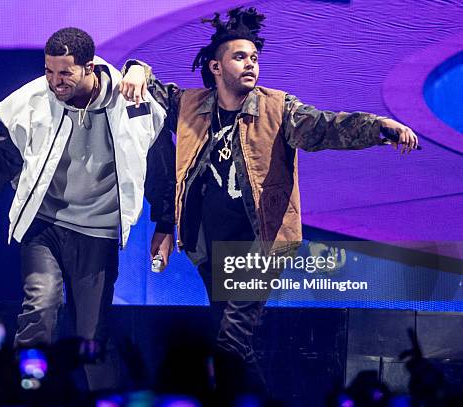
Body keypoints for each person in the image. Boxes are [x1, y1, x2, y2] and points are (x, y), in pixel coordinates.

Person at [122, 6, 418, 403]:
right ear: (215, 66)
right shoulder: (190, 105)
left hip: (259, 244)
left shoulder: (278, 108)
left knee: (229, 343)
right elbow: (147, 86)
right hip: (209, 247)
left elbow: (326, 126)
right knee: (233, 349)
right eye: (240, 57)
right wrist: (136, 66)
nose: (251, 65)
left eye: (255, 58)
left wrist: (378, 126)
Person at [0, 27, 166, 391]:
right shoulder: (32, 100)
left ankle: (108, 399)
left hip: (98, 233)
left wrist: (164, 222)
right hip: (45, 226)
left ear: (89, 67)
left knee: (91, 336)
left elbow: (157, 160)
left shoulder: (128, 99)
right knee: (41, 305)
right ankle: (20, 395)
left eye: (65, 73)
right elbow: (1, 151)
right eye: (49, 71)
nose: (55, 81)